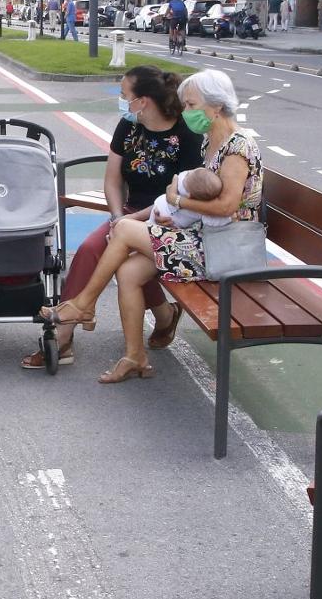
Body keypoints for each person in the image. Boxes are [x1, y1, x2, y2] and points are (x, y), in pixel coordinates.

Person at [39, 69, 262, 384]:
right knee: (128, 271)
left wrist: (177, 202)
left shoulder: (238, 147)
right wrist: (174, 206)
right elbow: (196, 194)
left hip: (221, 250)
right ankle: (135, 356)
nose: (185, 112)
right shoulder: (213, 144)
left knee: (125, 231)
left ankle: (82, 305)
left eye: (191, 105)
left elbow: (226, 206)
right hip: (201, 238)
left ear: (216, 107)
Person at [21, 65, 203, 370]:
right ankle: (70, 333)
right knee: (92, 249)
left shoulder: (186, 133)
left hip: (172, 218)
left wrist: (127, 225)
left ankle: (65, 333)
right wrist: (119, 216)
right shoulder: (128, 127)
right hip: (131, 214)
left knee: (115, 252)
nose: (121, 101)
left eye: (124, 95)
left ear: (143, 101)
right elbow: (112, 180)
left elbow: (184, 196)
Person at [150, 168, 229, 229]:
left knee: (149, 225)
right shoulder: (203, 211)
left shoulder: (182, 184)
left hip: (162, 208)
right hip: (173, 222)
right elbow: (212, 221)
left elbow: (176, 177)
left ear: (189, 196)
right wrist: (228, 219)